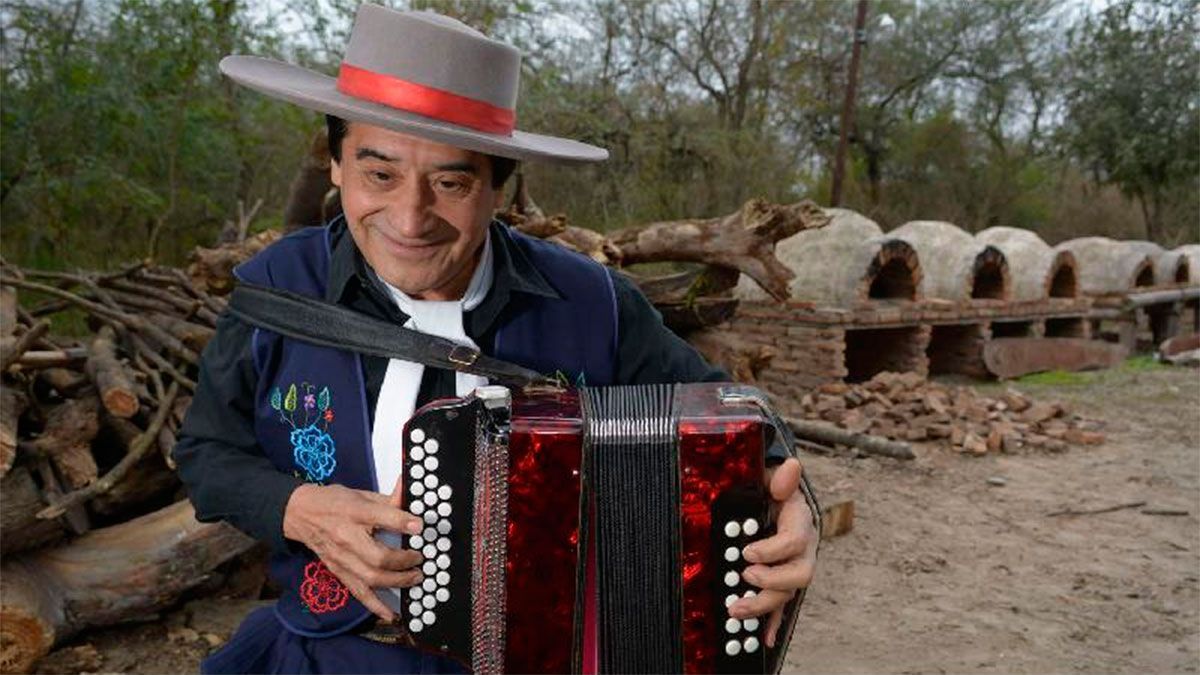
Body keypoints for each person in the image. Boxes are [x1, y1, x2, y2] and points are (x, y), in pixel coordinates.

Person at [175, 4, 819, 673]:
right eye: (379, 172)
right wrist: (297, 507)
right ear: (336, 164)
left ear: (498, 189)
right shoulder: (278, 287)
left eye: (451, 181)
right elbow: (205, 454)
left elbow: (739, 420)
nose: (409, 216)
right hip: (331, 654)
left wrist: (793, 504)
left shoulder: (593, 305)